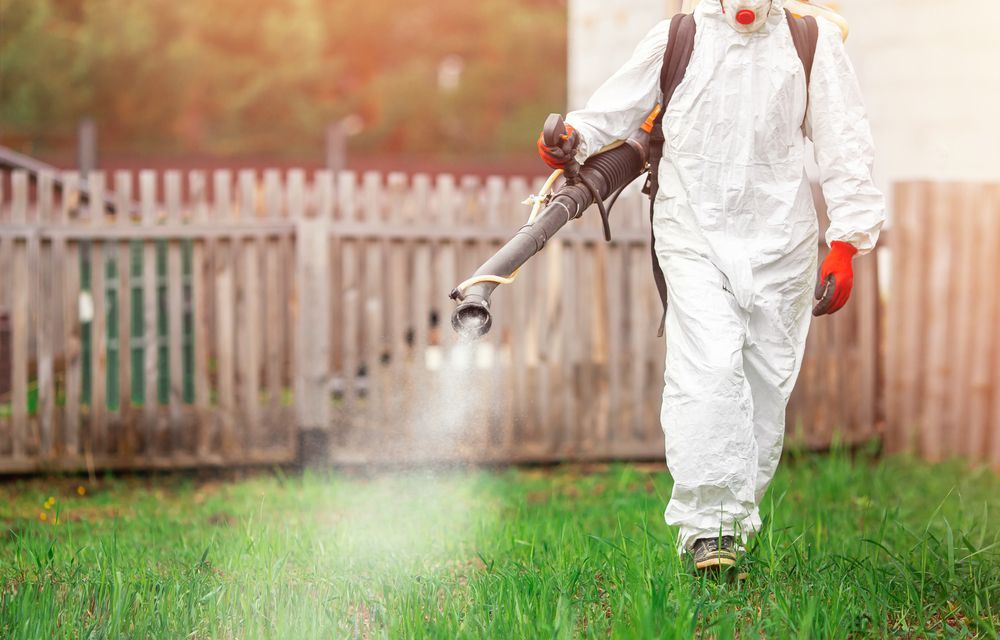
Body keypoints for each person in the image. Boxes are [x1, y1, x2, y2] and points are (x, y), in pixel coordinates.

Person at [538, 0, 884, 573]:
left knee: (764, 386)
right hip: (692, 229)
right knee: (709, 366)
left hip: (782, 243)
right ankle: (709, 530)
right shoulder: (677, 38)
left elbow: (844, 139)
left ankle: (733, 525)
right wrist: (571, 137)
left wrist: (847, 241)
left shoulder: (812, 43)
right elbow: (613, 110)